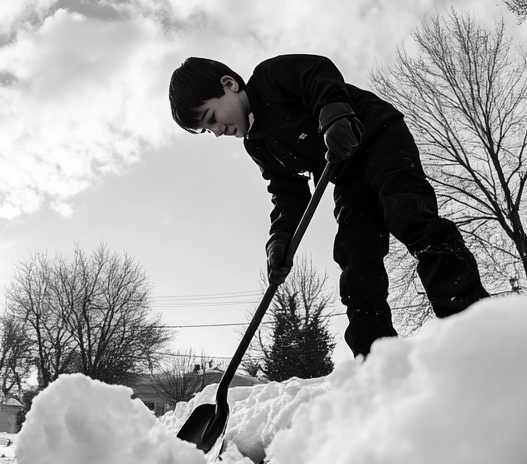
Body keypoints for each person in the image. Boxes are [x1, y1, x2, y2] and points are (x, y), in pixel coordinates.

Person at [168, 54, 489, 358]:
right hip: (346, 174)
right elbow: (287, 194)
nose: (216, 131)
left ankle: (472, 323)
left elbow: (317, 73)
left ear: (229, 84)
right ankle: (377, 359)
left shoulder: (269, 79)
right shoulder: (258, 145)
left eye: (211, 117)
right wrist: (278, 241)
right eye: (206, 130)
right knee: (355, 255)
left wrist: (334, 115)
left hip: (378, 137)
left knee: (408, 215)